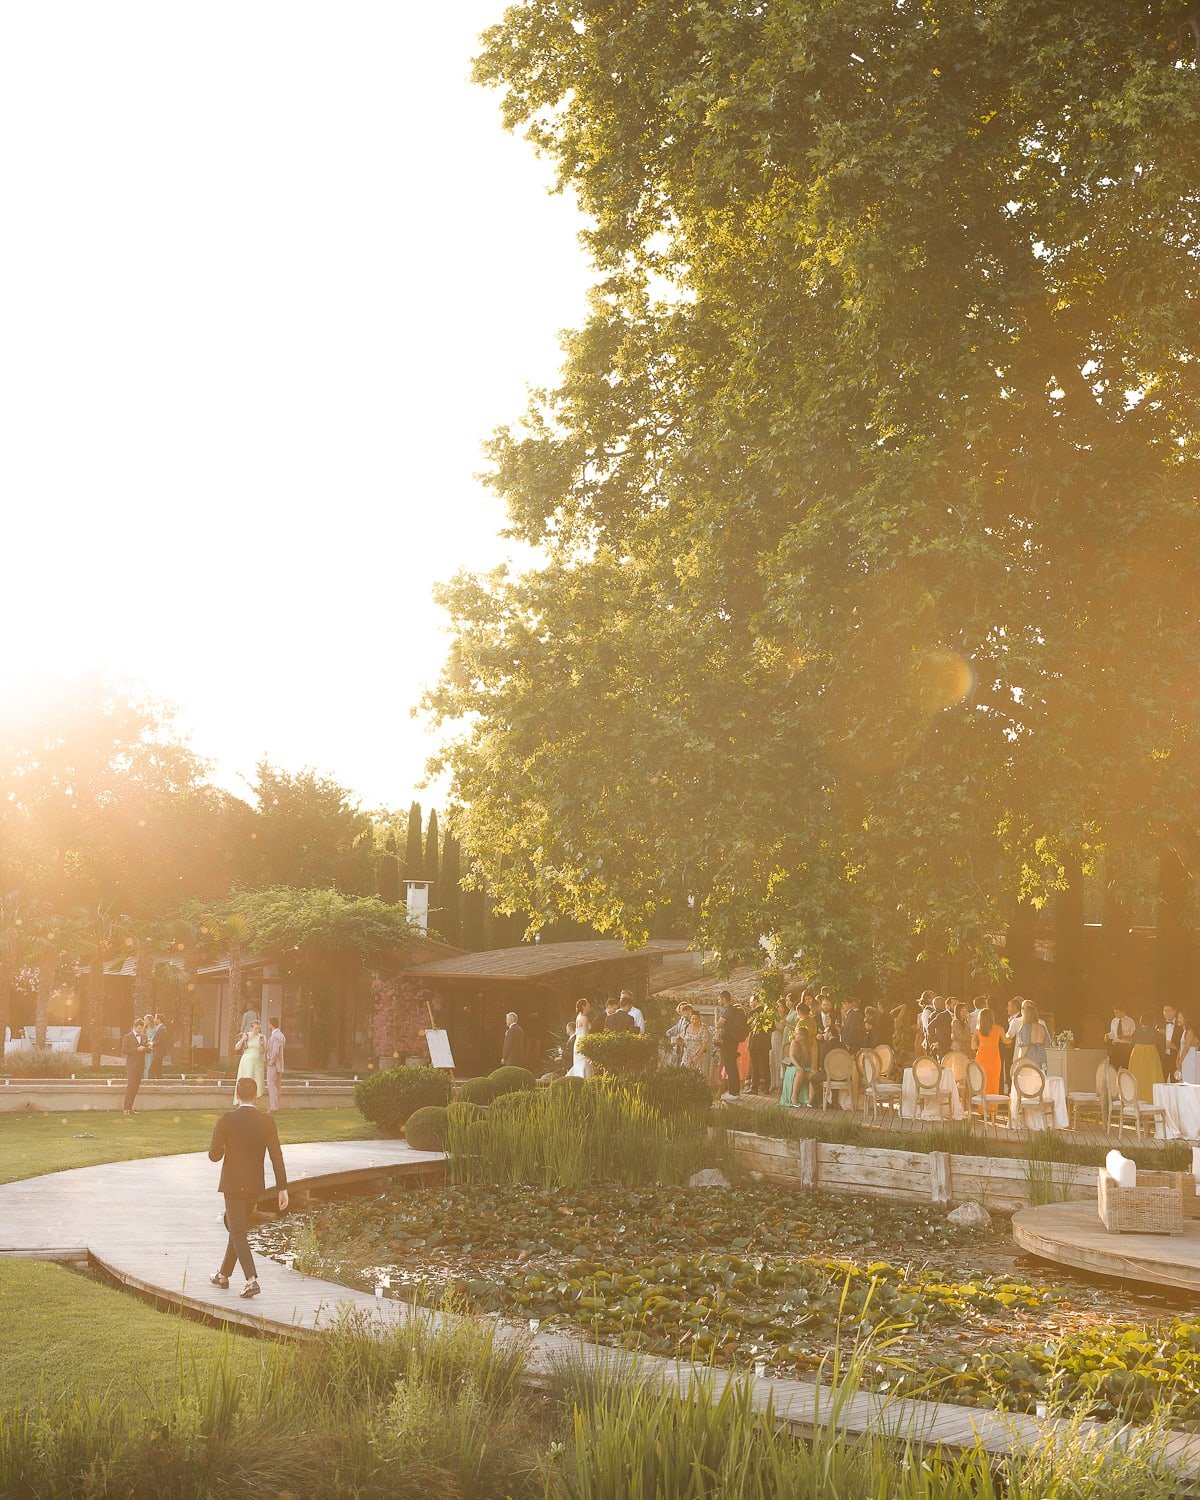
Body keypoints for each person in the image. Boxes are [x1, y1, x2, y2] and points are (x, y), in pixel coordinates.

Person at [207, 1075, 289, 1299]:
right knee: (238, 1228)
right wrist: (283, 1188)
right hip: (255, 1185)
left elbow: (214, 1156)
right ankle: (223, 1275)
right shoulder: (266, 1121)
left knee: (237, 1230)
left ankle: (251, 1279)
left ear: (236, 1095)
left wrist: (221, 1146)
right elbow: (276, 1156)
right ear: (256, 1096)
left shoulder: (226, 1120)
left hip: (233, 1184)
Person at [716, 990, 745, 1100]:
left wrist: (716, 1014)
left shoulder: (728, 1010)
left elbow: (718, 1025)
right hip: (733, 1041)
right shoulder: (733, 1010)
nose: (718, 1001)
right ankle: (735, 1092)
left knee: (730, 1066)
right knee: (731, 1065)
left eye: (719, 999)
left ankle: (733, 1092)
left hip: (729, 1041)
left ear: (724, 999)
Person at [1128, 1015, 1165, 1102]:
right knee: (1151, 1075)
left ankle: (1135, 1098)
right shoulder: (1155, 1032)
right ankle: (1150, 1098)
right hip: (1150, 1054)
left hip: (1137, 1055)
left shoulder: (1137, 1031)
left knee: (1136, 1075)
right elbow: (1159, 1045)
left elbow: (1131, 1044)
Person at [234, 1019, 267, 1101]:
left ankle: (255, 1101)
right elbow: (236, 1047)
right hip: (246, 1061)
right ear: (251, 1028)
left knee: (257, 1080)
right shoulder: (246, 1035)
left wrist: (262, 1045)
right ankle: (242, 1100)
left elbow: (262, 1052)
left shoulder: (262, 1037)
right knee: (246, 1079)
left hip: (257, 1062)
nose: (257, 1030)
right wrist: (243, 1039)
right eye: (256, 1028)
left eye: (259, 1028)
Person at [120, 1021, 148, 1116]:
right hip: (131, 1065)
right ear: (134, 1027)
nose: (141, 1030)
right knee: (131, 1086)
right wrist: (136, 1050)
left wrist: (148, 1048)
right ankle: (126, 1108)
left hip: (140, 1065)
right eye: (139, 1028)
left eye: (142, 1028)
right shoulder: (127, 1036)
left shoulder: (144, 1036)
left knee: (136, 1087)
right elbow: (124, 1050)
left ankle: (130, 1108)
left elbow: (146, 1050)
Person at [974, 1007, 1003, 1096]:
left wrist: (983, 1044)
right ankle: (993, 1107)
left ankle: (982, 1107)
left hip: (981, 1057)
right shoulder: (999, 1028)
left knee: (982, 1081)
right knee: (994, 1081)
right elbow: (1006, 1040)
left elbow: (973, 1046)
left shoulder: (978, 1030)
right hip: (994, 1057)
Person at [1014, 1000, 1049, 1071]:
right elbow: (1047, 1043)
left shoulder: (1025, 1027)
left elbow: (1024, 1047)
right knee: (1041, 1077)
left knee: (1028, 1079)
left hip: (1030, 1056)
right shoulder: (1042, 1026)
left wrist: (1019, 1061)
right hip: (1041, 1055)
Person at [680, 1009, 713, 1075]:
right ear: (690, 1019)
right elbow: (682, 1039)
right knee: (684, 1073)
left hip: (698, 1054)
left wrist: (697, 1057)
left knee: (695, 1074)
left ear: (699, 1019)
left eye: (696, 1019)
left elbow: (704, 1044)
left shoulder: (703, 1029)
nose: (694, 1021)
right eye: (693, 1019)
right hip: (687, 1054)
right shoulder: (685, 1027)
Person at [265, 1016, 286, 1111]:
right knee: (277, 1084)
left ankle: (274, 1106)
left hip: (274, 1064)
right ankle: (276, 1104)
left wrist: (270, 1061)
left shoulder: (276, 1036)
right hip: (279, 1064)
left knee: (271, 1083)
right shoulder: (281, 1035)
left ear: (271, 1024)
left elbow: (275, 1051)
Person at [569, 999, 593, 1078]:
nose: (589, 1006)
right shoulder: (584, 1018)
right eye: (588, 1004)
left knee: (579, 1063)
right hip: (583, 1041)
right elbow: (586, 1034)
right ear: (583, 1007)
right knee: (585, 1063)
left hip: (578, 1042)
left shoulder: (578, 1017)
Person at [1106, 1003, 1135, 1068]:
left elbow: (1133, 1036)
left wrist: (1123, 1037)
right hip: (1115, 1046)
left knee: (1125, 1065)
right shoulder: (1114, 1021)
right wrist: (1108, 1035)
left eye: (1117, 1012)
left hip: (1125, 1047)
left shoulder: (1130, 1021)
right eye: (1114, 1013)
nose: (1115, 1014)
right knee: (1114, 1066)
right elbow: (1113, 1034)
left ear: (1123, 1011)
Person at [1177, 1013, 1200, 1085]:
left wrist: (1180, 1061)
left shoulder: (1190, 1031)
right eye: (1178, 1017)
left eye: (1180, 1017)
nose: (1178, 1020)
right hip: (1184, 1058)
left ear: (1186, 1019)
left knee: (1189, 1081)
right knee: (1184, 1080)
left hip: (1188, 1059)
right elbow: (1181, 1047)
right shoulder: (1184, 1031)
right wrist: (1178, 1058)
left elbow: (1186, 1048)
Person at [1162, 1005, 1184, 1078]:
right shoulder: (1160, 1024)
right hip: (1162, 1056)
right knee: (1162, 1079)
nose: (1166, 1013)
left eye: (1169, 1011)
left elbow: (1184, 1040)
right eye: (1164, 1011)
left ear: (1174, 1012)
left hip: (1175, 1056)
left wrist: (1176, 1047)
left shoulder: (1180, 1025)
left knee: (1175, 1079)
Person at [149, 1013, 170, 1078]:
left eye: (155, 1018)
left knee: (152, 1068)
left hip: (159, 1051)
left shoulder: (162, 1029)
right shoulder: (160, 1028)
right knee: (158, 1068)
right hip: (158, 1051)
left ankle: (151, 1081)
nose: (154, 1020)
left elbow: (161, 1041)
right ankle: (159, 1079)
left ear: (159, 1020)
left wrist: (152, 1043)